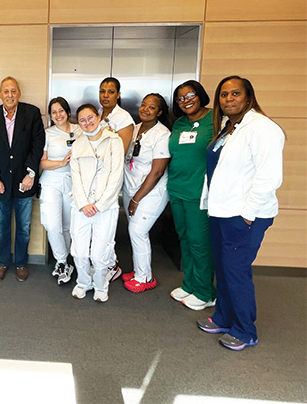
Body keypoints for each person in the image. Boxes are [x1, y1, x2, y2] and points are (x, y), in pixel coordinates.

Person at [197, 76, 284, 351]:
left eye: (235, 94)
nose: (229, 99)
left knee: (236, 272)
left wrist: (248, 214)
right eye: (224, 95)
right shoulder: (228, 127)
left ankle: (246, 331)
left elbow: (269, 177)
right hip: (222, 211)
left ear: (248, 97)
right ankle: (223, 317)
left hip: (244, 215)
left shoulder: (262, 128)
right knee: (222, 269)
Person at [0, 77, 45, 282]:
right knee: (1, 227)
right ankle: (2, 262)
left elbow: (38, 145)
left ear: (19, 93)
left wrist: (31, 174)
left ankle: (20, 263)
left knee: (24, 227)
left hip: (24, 181)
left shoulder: (32, 113)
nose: (10, 95)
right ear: (0, 94)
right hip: (0, 183)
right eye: (6, 91)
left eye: (13, 91)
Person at [168, 80, 216, 311]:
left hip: (200, 193)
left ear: (200, 95)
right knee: (184, 239)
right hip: (177, 189)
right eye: (180, 98)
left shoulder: (215, 119)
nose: (186, 101)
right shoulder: (179, 123)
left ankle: (206, 292)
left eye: (190, 95)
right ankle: (190, 284)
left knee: (200, 243)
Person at [69, 104, 124, 302]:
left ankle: (101, 285)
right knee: (79, 251)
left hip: (105, 207)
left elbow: (116, 175)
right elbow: (75, 177)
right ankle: (83, 282)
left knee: (101, 252)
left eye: (90, 117)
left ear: (98, 116)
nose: (87, 122)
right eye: (82, 120)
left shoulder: (114, 141)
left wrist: (100, 205)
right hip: (81, 206)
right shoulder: (77, 144)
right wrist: (84, 203)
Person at [122, 93, 171, 293]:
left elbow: (157, 171)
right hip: (131, 187)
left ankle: (145, 278)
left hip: (151, 192)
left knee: (138, 231)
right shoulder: (135, 129)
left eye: (151, 107)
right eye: (143, 105)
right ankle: (138, 270)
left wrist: (136, 199)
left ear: (159, 112)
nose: (145, 109)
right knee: (134, 231)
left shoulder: (163, 134)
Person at [39, 97, 82, 285]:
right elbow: (42, 162)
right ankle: (61, 261)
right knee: (53, 225)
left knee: (68, 225)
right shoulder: (47, 133)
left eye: (61, 110)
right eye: (54, 112)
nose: (58, 115)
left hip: (74, 182)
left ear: (68, 112)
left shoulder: (80, 130)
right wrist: (62, 163)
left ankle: (65, 261)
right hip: (51, 181)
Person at [98, 76, 135, 281]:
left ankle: (112, 265)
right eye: (103, 91)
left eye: (111, 92)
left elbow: (119, 151)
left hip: (110, 177)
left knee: (107, 223)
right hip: (95, 176)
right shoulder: (97, 114)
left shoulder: (123, 118)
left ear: (118, 94)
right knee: (96, 222)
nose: (106, 95)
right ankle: (102, 262)